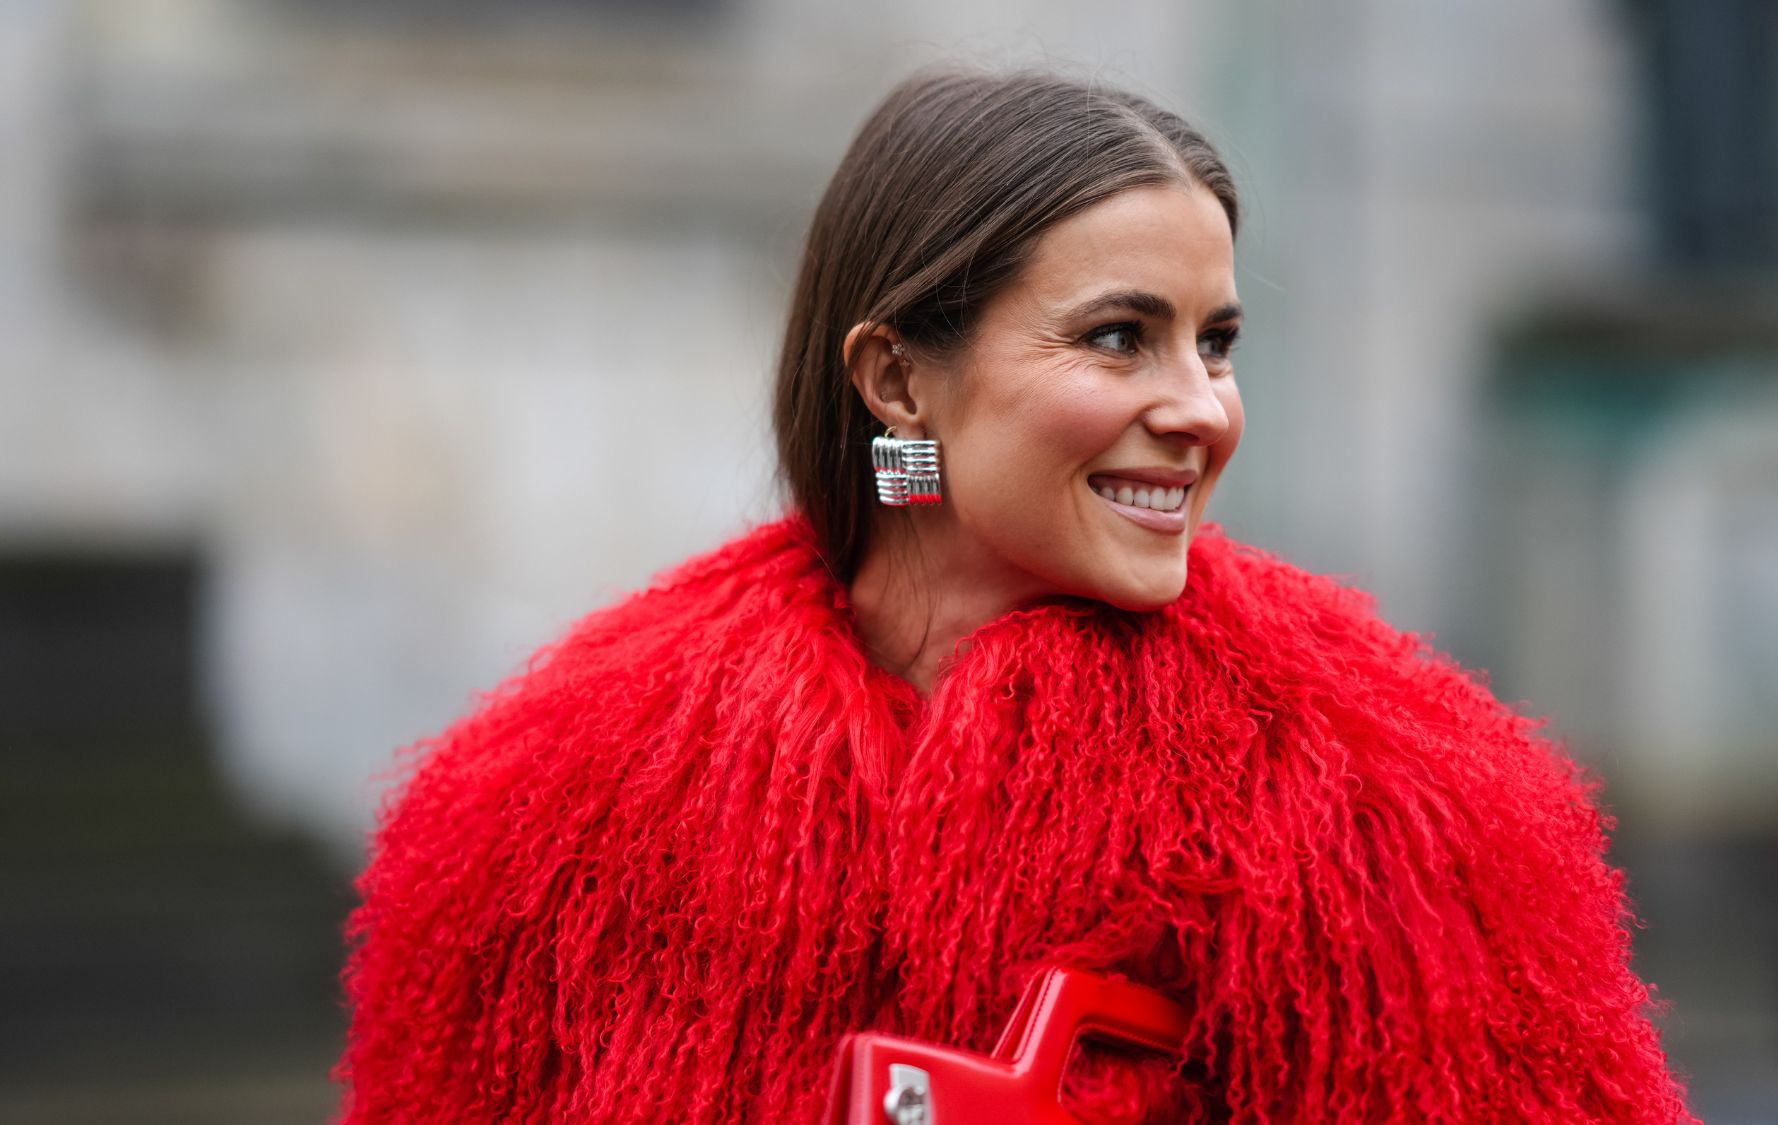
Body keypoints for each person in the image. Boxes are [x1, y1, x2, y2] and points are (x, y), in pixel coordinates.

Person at [337, 68, 1695, 1123]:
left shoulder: (1388, 796)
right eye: (1122, 337)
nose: (1201, 409)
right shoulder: (556, 798)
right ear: (895, 379)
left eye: (1217, 343)